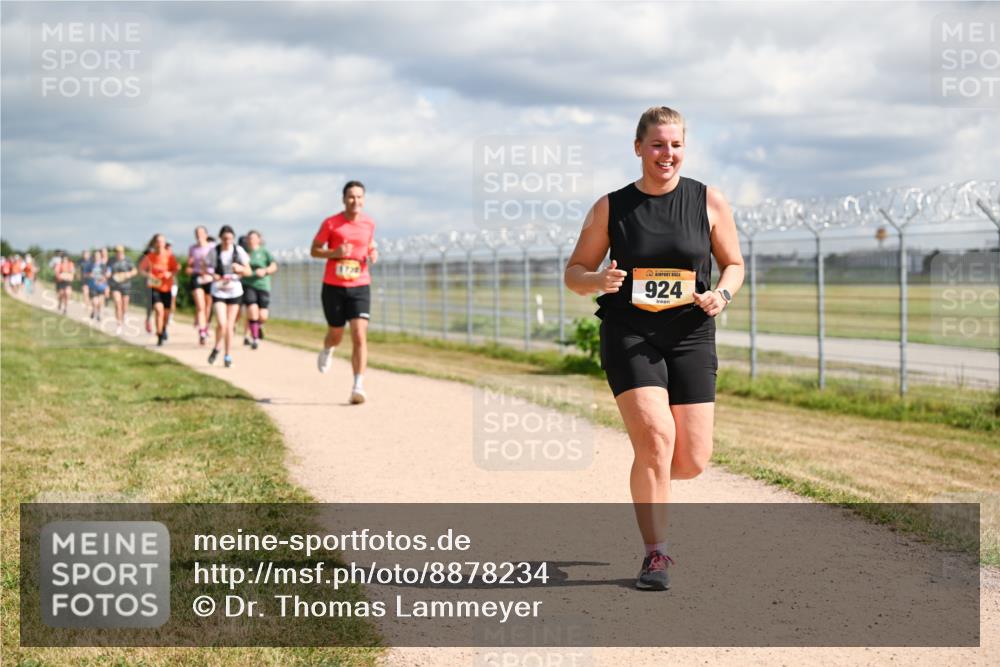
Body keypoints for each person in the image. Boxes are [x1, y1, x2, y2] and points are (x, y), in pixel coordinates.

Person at [564, 106, 744, 591]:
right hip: (630, 331)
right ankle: (656, 555)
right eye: (658, 144)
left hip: (690, 332)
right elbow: (573, 273)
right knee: (657, 440)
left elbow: (734, 264)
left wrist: (721, 295)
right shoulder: (612, 206)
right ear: (638, 147)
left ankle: (650, 480)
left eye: (676, 145)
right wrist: (597, 279)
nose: (668, 154)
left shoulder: (709, 201)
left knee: (691, 460)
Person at [311, 180, 378, 404]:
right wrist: (334, 252)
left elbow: (368, 243)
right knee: (336, 334)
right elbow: (314, 250)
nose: (355, 201)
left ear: (364, 200)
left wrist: (373, 251)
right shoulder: (331, 223)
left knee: (359, 335)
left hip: (360, 285)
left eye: (359, 197)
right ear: (344, 199)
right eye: (351, 196)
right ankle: (328, 348)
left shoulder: (369, 223)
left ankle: (358, 385)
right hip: (334, 287)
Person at [204, 225, 251, 368]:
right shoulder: (214, 251)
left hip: (234, 291)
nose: (227, 241)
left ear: (233, 239)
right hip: (219, 291)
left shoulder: (239, 251)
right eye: (224, 239)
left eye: (230, 239)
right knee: (222, 323)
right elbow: (205, 267)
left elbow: (249, 271)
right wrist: (213, 274)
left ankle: (226, 354)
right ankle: (218, 346)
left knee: (229, 326)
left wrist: (241, 269)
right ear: (220, 238)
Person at [138, 234, 179, 346]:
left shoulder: (169, 256)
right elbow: (141, 270)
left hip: (166, 287)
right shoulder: (149, 257)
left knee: (165, 314)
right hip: (154, 287)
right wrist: (148, 275)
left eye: (162, 241)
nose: (160, 244)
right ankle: (159, 334)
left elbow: (175, 269)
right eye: (158, 241)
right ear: (155, 243)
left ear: (164, 243)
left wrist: (169, 273)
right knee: (158, 310)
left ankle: (163, 329)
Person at [241, 230, 277, 350]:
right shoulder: (244, 253)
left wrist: (265, 271)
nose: (250, 240)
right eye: (249, 238)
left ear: (259, 239)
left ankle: (256, 326)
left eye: (253, 238)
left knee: (263, 316)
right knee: (252, 310)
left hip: (263, 286)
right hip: (248, 284)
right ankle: (255, 338)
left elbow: (274, 266)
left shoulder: (264, 252)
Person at [186, 226, 216, 345]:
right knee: (200, 305)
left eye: (201, 233)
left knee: (208, 305)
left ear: (206, 234)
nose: (199, 235)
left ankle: (206, 326)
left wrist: (207, 266)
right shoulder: (192, 248)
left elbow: (216, 262)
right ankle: (202, 331)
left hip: (210, 277)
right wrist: (189, 267)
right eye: (197, 233)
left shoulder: (212, 247)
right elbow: (190, 264)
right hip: (197, 276)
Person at [107, 245, 137, 335]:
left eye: (120, 252)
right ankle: (119, 324)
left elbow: (135, 271)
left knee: (124, 306)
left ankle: (123, 316)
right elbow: (108, 270)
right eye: (116, 252)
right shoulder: (111, 260)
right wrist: (108, 274)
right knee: (117, 303)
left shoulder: (128, 260)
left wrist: (128, 274)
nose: (118, 253)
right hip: (115, 285)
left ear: (123, 252)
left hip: (126, 285)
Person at [87, 248, 109, 321]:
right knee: (95, 301)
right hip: (93, 286)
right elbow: (86, 274)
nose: (97, 257)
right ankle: (93, 310)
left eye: (98, 255)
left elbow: (107, 275)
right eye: (95, 255)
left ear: (100, 256)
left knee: (100, 302)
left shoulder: (103, 265)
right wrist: (91, 275)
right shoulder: (90, 265)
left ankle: (98, 314)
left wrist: (102, 279)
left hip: (101, 286)